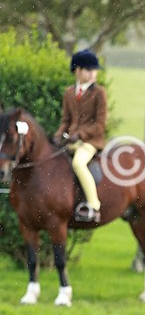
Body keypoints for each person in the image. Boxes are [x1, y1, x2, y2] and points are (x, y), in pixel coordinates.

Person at [55, 49, 107, 224]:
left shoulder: (99, 93)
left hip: (91, 141)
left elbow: (99, 124)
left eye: (94, 70)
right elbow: (66, 120)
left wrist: (80, 134)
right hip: (72, 139)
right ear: (77, 71)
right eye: (89, 69)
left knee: (78, 163)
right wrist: (58, 135)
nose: (93, 73)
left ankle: (93, 205)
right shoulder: (69, 93)